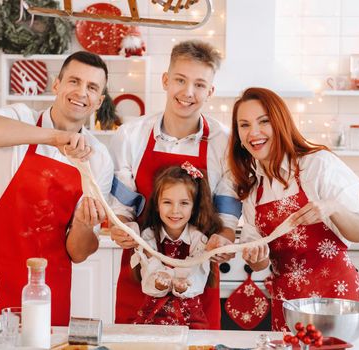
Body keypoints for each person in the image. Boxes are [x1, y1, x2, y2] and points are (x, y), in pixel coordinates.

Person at [0, 51, 114, 326]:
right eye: (74, 81)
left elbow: (78, 252)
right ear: (57, 84)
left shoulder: (98, 158)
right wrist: (57, 138)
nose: (81, 92)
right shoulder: (20, 117)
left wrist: (83, 224)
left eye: (91, 87)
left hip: (45, 288)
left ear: (99, 101)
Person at [109, 40, 242, 329]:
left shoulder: (224, 141)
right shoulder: (131, 135)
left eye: (199, 84)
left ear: (210, 91)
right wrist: (123, 227)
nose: (188, 92)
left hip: (197, 283)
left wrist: (224, 239)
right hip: (140, 276)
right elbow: (122, 209)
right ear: (166, 80)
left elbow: (227, 214)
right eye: (180, 80)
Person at [229, 87, 359, 332]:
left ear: (280, 123)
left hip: (337, 303)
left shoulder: (317, 165)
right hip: (289, 307)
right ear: (239, 138)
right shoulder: (255, 191)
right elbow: (259, 264)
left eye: (263, 121)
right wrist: (257, 256)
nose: (253, 132)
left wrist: (331, 207)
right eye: (244, 125)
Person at [131, 162, 222, 328]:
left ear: (194, 208)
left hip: (190, 318)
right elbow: (149, 274)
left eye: (184, 203)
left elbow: (197, 277)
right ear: (157, 205)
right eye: (167, 202)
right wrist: (159, 283)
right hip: (153, 316)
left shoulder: (199, 239)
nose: (175, 211)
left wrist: (181, 287)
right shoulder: (148, 236)